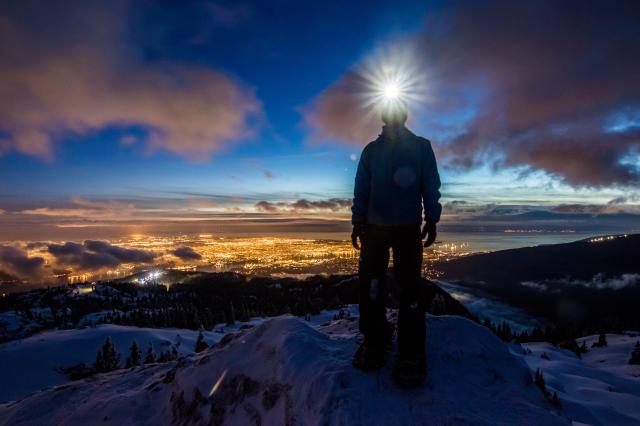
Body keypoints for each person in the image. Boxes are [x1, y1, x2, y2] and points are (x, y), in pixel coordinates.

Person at [350, 103, 441, 387]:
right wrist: (357, 221)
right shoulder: (371, 151)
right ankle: (375, 338)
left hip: (406, 227)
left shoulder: (421, 147)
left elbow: (430, 184)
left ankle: (410, 350)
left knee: (410, 287)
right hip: (376, 228)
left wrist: (432, 218)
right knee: (373, 284)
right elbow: (361, 188)